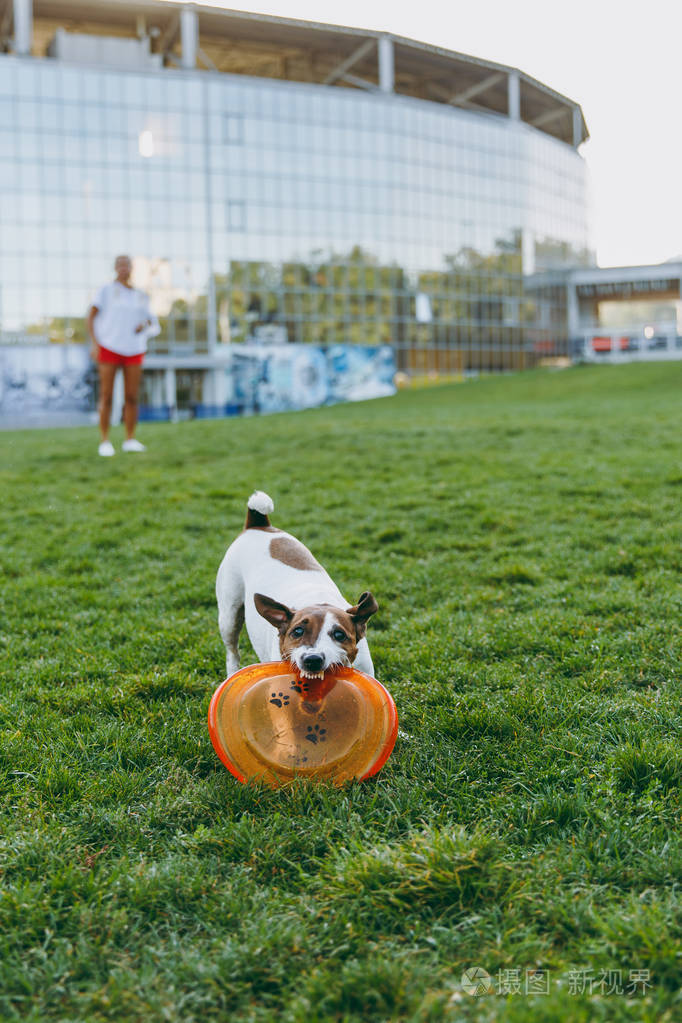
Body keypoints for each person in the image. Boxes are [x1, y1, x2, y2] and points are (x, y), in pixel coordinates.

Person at [87, 255, 159, 456]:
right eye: (119, 264)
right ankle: (105, 441)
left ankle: (130, 439)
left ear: (132, 268)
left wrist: (144, 326)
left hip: (134, 350)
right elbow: (91, 316)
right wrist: (95, 344)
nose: (123, 268)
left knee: (132, 396)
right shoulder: (105, 291)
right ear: (115, 268)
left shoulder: (141, 295)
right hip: (109, 347)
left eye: (126, 264)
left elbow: (154, 324)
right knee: (107, 395)